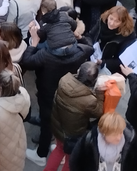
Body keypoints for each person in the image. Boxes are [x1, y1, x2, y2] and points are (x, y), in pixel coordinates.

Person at [20, 14, 93, 165]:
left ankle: (41, 153)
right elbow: (90, 48)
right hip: (68, 93)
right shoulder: (80, 51)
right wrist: (79, 37)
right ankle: (57, 144)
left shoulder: (45, 55)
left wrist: (34, 43)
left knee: (47, 122)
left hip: (48, 93)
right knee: (61, 121)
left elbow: (26, 61)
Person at [47, 62, 103, 171]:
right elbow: (100, 111)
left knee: (59, 150)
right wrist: (99, 93)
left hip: (58, 126)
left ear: (78, 71)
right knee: (70, 159)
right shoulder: (89, 101)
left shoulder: (64, 80)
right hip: (73, 135)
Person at [69, 112, 137, 171]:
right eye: (114, 135)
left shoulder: (131, 142)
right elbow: (75, 162)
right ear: (104, 133)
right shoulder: (89, 141)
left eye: (120, 132)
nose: (119, 138)